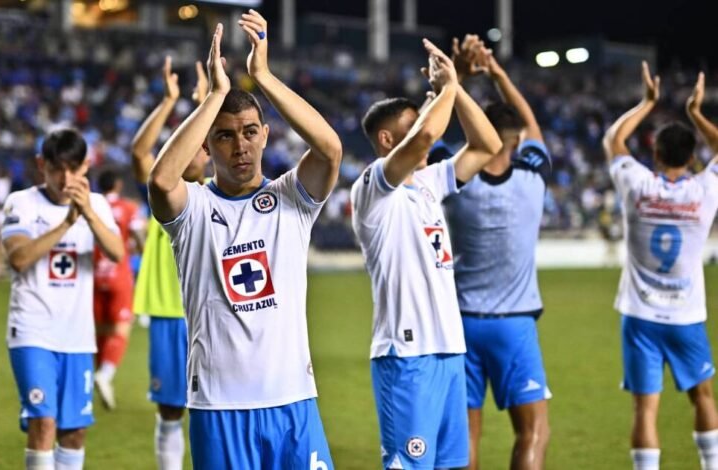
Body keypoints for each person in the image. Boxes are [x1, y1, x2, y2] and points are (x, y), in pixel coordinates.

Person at [148, 13, 342, 470]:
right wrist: (214, 96)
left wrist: (264, 77)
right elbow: (160, 179)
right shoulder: (192, 209)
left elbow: (330, 149)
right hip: (220, 408)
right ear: (208, 146)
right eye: (226, 136)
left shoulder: (292, 197)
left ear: (266, 135)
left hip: (293, 400)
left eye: (250, 132)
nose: (241, 146)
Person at [351, 38, 502, 469]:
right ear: (386, 139)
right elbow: (427, 138)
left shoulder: (428, 183)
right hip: (406, 355)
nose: (423, 127)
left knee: (453, 465)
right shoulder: (372, 187)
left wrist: (456, 88)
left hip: (449, 348)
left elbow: (486, 146)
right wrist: (447, 88)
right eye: (411, 123)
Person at [442, 36, 552, 470]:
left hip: (461, 322)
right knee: (533, 431)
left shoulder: (452, 178)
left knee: (467, 433)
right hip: (514, 324)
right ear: (516, 140)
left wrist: (457, 78)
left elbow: (423, 133)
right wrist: (499, 73)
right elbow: (533, 128)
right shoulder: (533, 176)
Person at [604, 63, 718, 470]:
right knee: (703, 397)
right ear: (692, 158)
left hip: (640, 316)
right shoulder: (706, 189)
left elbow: (613, 139)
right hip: (687, 315)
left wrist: (646, 103)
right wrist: (696, 113)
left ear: (654, 151)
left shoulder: (637, 184)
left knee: (644, 409)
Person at [1, 128, 124, 470]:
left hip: (77, 337)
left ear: (86, 166)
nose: (65, 178)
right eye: (56, 168)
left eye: (73, 168)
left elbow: (116, 253)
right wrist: (69, 222)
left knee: (74, 433)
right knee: (44, 423)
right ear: (42, 165)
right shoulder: (22, 202)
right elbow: (19, 258)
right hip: (32, 332)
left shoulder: (96, 205)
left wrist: (87, 214)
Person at [130, 56, 209, 470]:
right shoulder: (162, 194)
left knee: (214, 407)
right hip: (167, 311)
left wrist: (208, 102)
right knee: (170, 410)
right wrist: (169, 102)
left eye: (197, 146)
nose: (187, 152)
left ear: (208, 154)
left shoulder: (214, 196)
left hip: (208, 315)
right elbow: (140, 151)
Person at [92, 168, 144, 410]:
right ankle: (105, 375)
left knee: (100, 330)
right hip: (118, 273)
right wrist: (141, 249)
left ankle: (96, 372)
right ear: (118, 184)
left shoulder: (90, 206)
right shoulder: (128, 208)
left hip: (93, 274)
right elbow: (136, 233)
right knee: (121, 329)